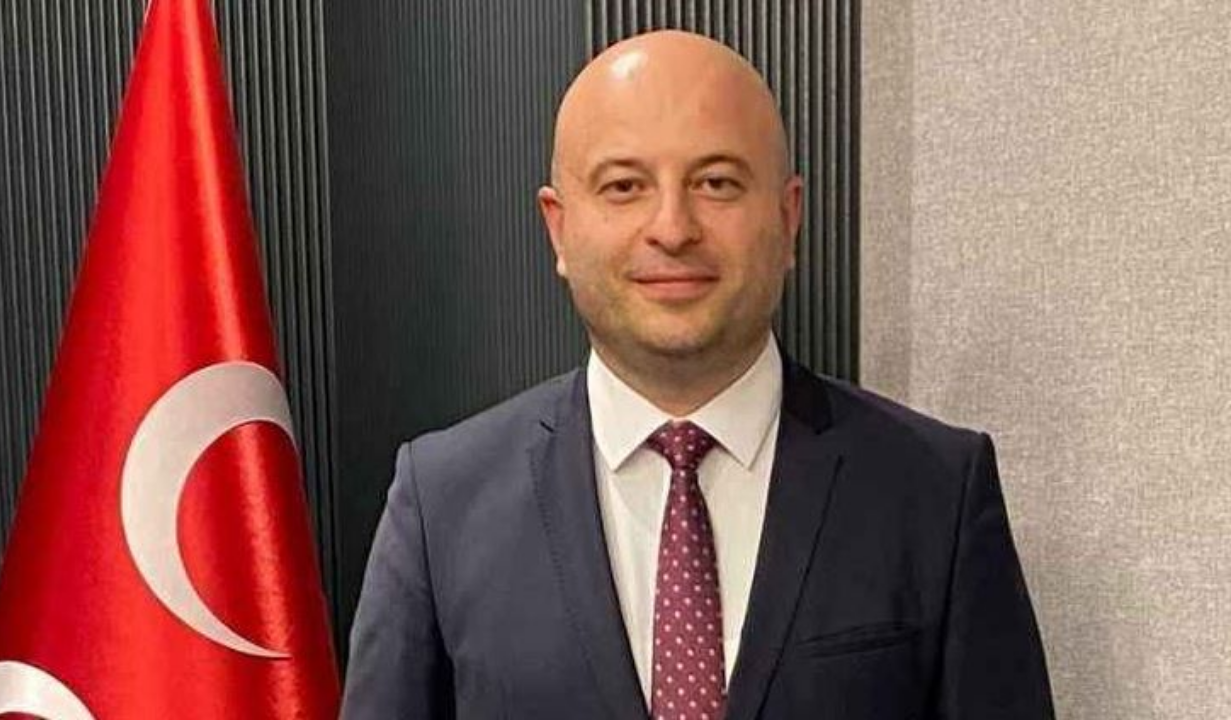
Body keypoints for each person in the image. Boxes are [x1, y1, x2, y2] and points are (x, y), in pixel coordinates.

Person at [341, 29, 1054, 720]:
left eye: (716, 183)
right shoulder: (441, 504)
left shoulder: (936, 492)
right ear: (559, 228)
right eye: (624, 186)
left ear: (788, 217)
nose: (673, 227)